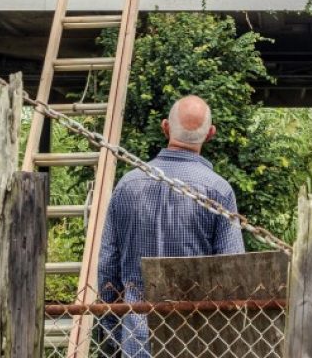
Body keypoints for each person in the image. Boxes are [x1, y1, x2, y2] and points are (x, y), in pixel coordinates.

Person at [97, 95, 244, 357]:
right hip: (198, 336)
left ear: (165, 127)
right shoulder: (219, 191)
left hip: (137, 335)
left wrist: (112, 331)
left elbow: (108, 263)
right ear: (210, 134)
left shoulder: (127, 186)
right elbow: (232, 272)